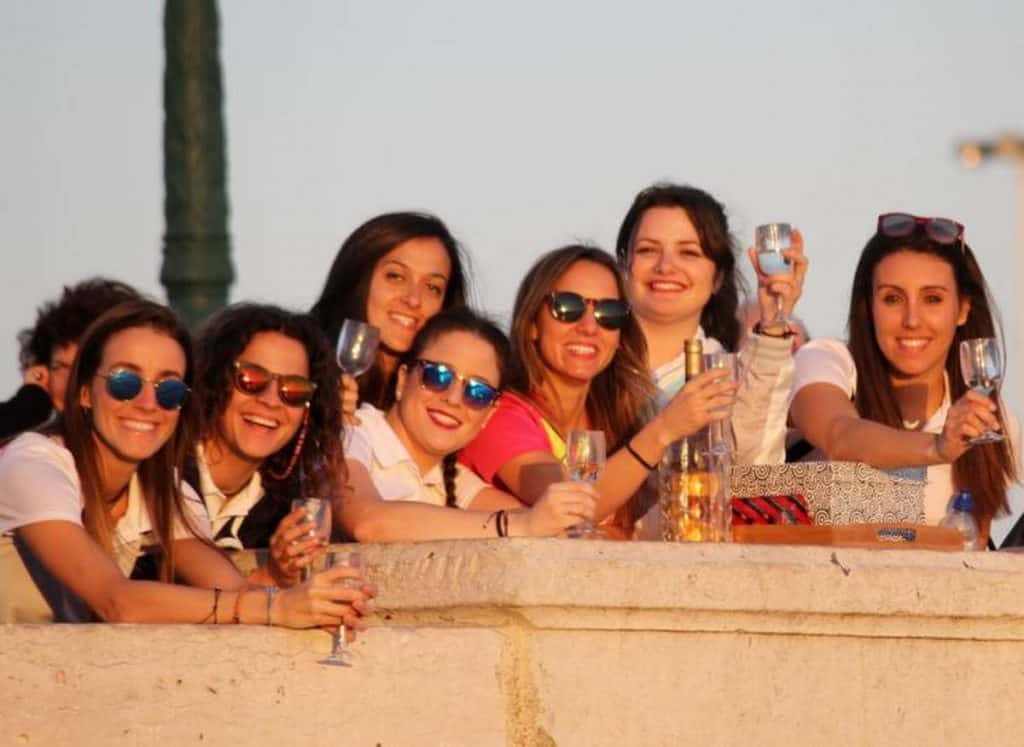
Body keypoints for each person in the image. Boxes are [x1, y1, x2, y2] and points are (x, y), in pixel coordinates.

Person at [0, 300, 373, 628]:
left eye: (170, 389)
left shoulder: (162, 486)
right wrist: (276, 607)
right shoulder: (34, 464)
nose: (148, 403)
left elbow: (232, 592)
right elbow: (117, 601)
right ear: (84, 392)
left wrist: (307, 596)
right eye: (125, 382)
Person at [460, 245, 736, 537]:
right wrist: (664, 430)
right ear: (531, 325)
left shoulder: (618, 415)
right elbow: (571, 507)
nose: (589, 327)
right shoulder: (499, 413)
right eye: (568, 307)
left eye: (609, 313)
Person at [788, 213, 1020, 542]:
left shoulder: (993, 426)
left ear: (963, 309)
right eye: (893, 299)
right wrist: (938, 448)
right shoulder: (825, 360)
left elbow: (973, 548)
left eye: (933, 299)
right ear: (868, 308)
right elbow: (840, 436)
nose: (912, 320)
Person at [340, 308, 598, 541]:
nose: (453, 398)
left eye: (477, 392)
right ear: (402, 379)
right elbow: (367, 523)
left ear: (488, 414)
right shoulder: (351, 432)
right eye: (438, 375)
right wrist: (522, 525)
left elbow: (544, 528)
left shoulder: (454, 480)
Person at [614, 183, 809, 464]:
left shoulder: (726, 377)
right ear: (624, 265)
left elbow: (752, 466)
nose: (666, 266)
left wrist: (774, 320)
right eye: (647, 250)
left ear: (718, 276)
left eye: (689, 253)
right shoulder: (589, 362)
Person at [185, 303, 344, 587]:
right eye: (252, 379)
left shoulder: (283, 511)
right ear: (216, 379)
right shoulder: (161, 470)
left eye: (294, 389)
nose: (271, 401)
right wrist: (269, 577)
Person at [309, 212, 470, 416]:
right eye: (395, 277)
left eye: (432, 287)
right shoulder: (304, 370)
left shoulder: (451, 399)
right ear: (357, 278)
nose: (413, 299)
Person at [0, 277, 142, 440]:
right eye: (62, 367)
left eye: (86, 368)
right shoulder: (31, 455)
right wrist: (26, 408)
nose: (74, 382)